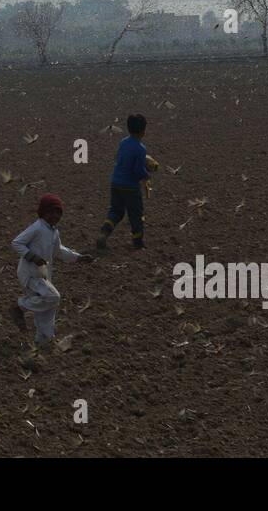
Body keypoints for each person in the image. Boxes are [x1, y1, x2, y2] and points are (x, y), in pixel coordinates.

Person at [9, 193, 93, 346]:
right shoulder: (37, 227)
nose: (55, 216)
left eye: (58, 212)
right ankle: (19, 307)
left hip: (42, 274)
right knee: (53, 297)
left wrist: (78, 257)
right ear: (43, 213)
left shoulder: (54, 231)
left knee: (48, 307)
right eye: (51, 212)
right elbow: (16, 243)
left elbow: (59, 251)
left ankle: (44, 340)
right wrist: (32, 257)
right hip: (30, 274)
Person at [96, 113, 159, 250]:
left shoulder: (123, 142)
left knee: (116, 211)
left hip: (116, 183)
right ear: (143, 130)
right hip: (130, 187)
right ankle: (138, 241)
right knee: (136, 214)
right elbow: (137, 170)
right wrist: (146, 175)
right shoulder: (140, 149)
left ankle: (104, 233)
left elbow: (118, 158)